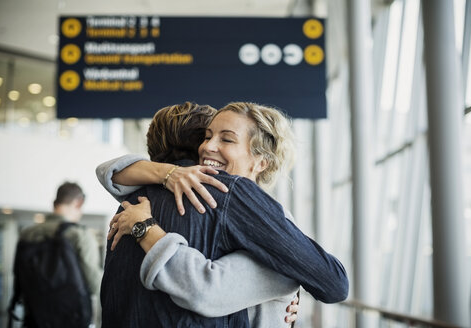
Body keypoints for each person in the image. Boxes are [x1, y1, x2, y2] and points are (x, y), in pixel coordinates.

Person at [100, 102, 348, 327]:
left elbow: (109, 172)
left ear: (262, 162)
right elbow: (206, 289)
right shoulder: (206, 192)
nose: (208, 146)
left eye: (227, 139)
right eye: (206, 137)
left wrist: (146, 227)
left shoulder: (133, 201)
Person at [16, 182, 103, 326]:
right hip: (72, 320)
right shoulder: (79, 235)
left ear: (55, 203)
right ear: (78, 203)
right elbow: (95, 282)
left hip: (35, 319)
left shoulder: (27, 233)